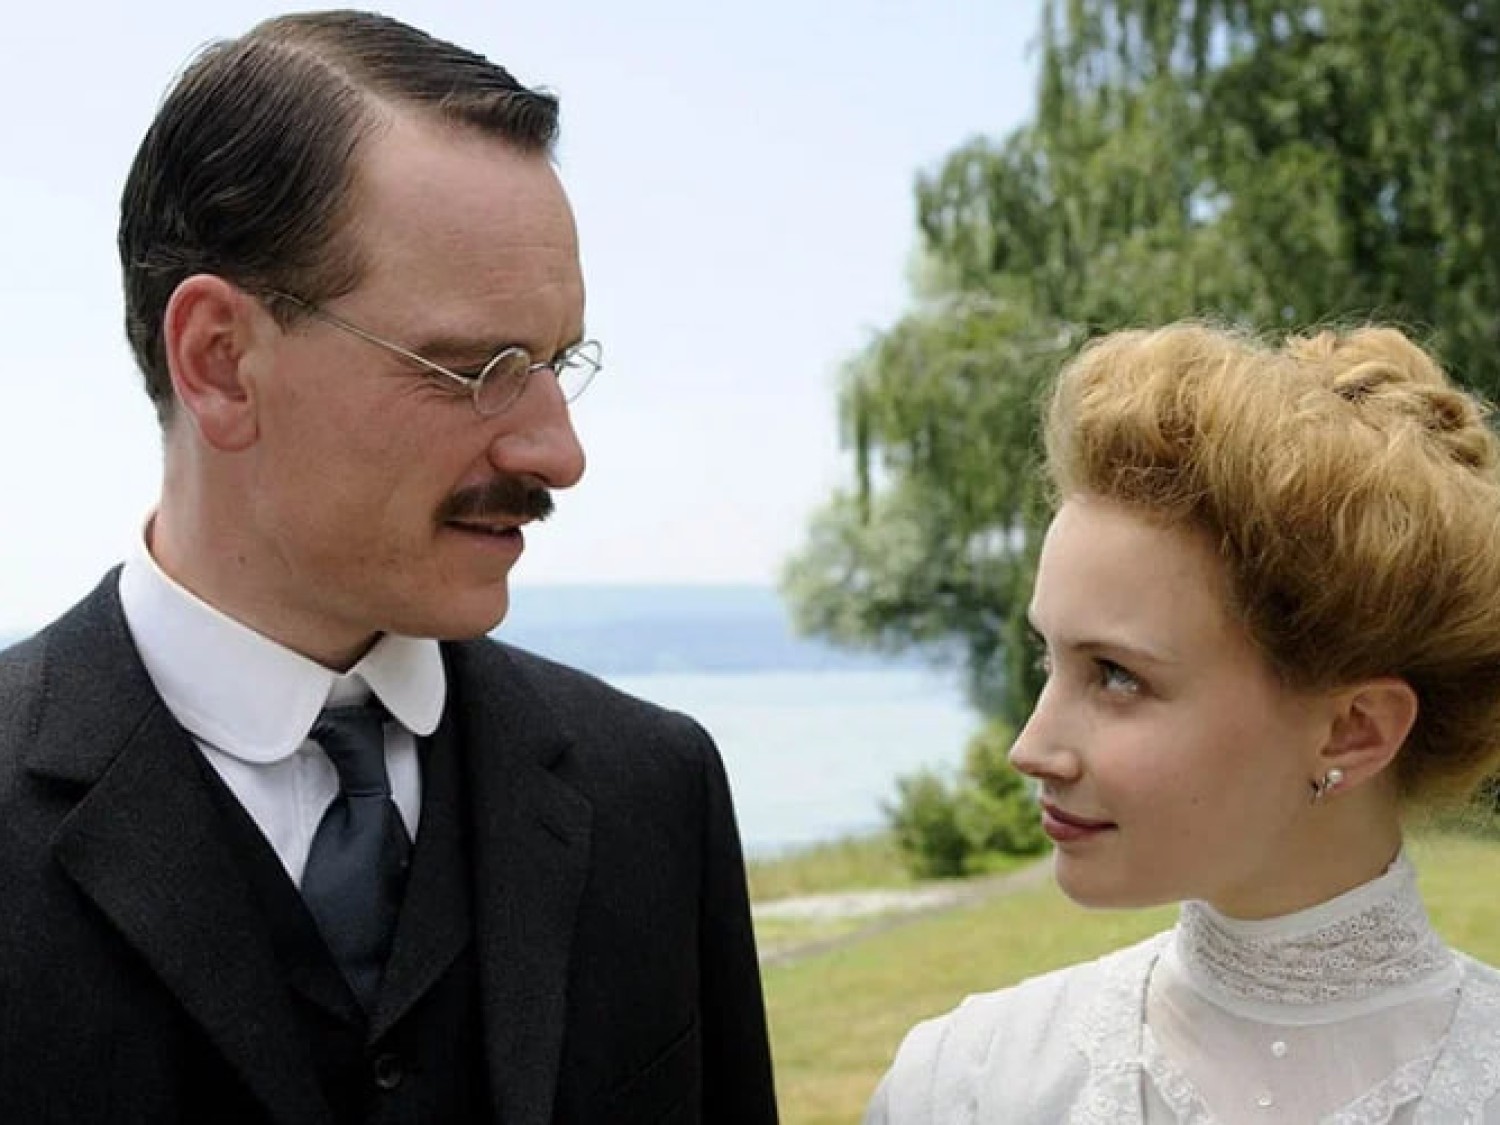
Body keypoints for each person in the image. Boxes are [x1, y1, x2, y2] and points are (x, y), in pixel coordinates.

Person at [0, 11, 778, 1125]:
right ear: (220, 361)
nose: (558, 452)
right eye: (476, 368)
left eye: (556, 363)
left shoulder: (655, 792)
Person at [865, 322, 1500, 1123]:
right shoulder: (966, 1085)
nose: (1030, 747)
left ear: (1354, 730)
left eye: (1116, 675)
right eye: (1047, 660)